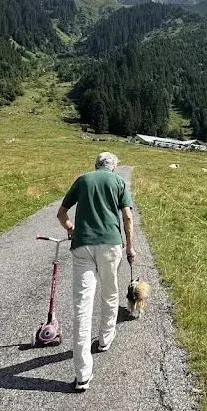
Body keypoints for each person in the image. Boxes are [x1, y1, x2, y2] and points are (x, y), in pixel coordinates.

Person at [56, 151, 135, 392]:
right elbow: (128, 217)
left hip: (82, 245)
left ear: (95, 165)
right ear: (113, 167)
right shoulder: (119, 182)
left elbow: (61, 214)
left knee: (82, 305)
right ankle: (104, 339)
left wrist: (71, 229)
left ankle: (82, 375)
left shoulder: (83, 180)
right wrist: (130, 247)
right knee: (110, 292)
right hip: (111, 245)